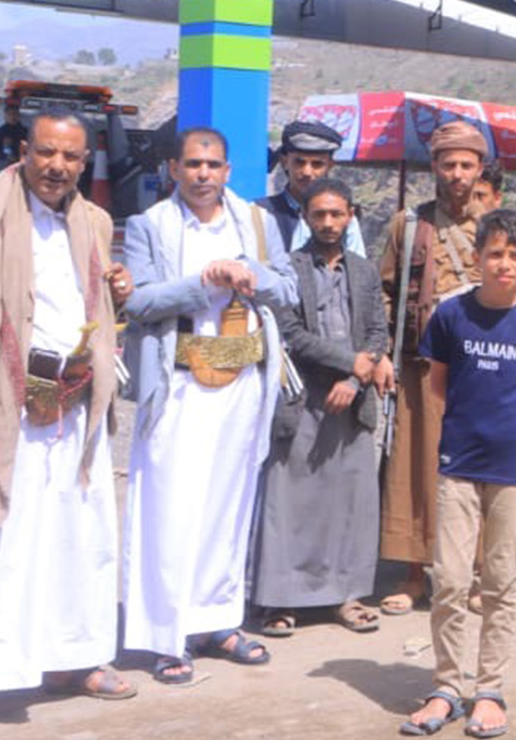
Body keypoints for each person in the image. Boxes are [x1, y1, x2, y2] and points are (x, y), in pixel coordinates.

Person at [0, 112, 136, 735]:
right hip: (0, 402)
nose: (57, 166)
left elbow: (82, 304)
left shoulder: (93, 220)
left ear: (85, 162)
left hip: (71, 401)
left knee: (75, 533)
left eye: (71, 157)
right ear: (24, 151)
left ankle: (69, 657)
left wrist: (117, 293)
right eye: (46, 152)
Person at [121, 127, 296, 682]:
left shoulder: (256, 222)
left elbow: (288, 289)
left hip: (242, 381)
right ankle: (166, 635)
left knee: (228, 503)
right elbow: (139, 300)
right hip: (178, 384)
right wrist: (206, 281)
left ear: (228, 171)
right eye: (193, 164)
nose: (203, 174)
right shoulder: (151, 226)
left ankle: (218, 620)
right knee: (170, 508)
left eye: (213, 165)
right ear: (174, 168)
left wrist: (250, 272)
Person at [401, 209, 516, 740]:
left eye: (515, 255)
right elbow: (440, 385)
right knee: (449, 579)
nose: (503, 264)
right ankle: (446, 687)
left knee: (500, 579)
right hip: (460, 464)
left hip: (514, 467)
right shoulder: (451, 317)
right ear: (477, 258)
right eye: (494, 254)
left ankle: (489, 690)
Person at [252, 176, 391, 638]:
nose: (328, 222)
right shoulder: (288, 268)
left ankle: (347, 596)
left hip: (351, 398)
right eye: (319, 214)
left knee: (349, 500)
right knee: (291, 499)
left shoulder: (364, 270)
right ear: (306, 217)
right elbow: (290, 334)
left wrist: (354, 378)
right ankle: (281, 600)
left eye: (337, 214)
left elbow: (377, 332)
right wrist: (348, 362)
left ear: (351, 216)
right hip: (302, 396)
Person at [377, 121, 487, 615]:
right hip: (422, 365)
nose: (457, 174)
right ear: (435, 168)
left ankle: (474, 573)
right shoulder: (408, 225)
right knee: (417, 467)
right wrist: (385, 350)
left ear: (479, 169)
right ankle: (413, 574)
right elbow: (386, 291)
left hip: (481, 369)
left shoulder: (495, 226)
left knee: (477, 470)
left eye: (466, 164)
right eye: (449, 164)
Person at [257, 119, 365, 256]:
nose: (307, 172)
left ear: (330, 166)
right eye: (299, 162)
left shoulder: (343, 217)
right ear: (285, 162)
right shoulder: (261, 213)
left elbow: (357, 265)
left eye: (317, 164)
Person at [0, 104, 26, 173]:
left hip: (20, 166)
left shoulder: (24, 132)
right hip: (3, 166)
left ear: (19, 116)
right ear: (5, 116)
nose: (13, 117)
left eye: (15, 114)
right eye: (10, 114)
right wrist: (5, 156)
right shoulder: (0, 132)